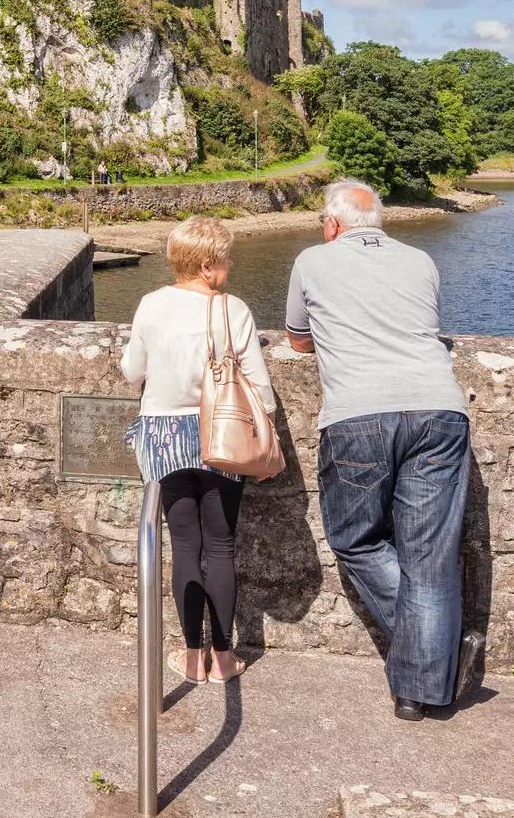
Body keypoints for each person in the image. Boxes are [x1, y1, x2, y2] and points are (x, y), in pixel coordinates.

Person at [285, 179, 485, 721]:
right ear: (379, 223)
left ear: (331, 225)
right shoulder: (420, 260)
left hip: (359, 414)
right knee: (430, 558)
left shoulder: (312, 260)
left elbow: (298, 340)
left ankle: (430, 657)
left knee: (354, 539)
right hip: (439, 411)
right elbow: (423, 326)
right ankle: (419, 687)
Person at [121, 216, 278, 683]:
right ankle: (225, 659)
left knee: (185, 546)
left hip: (164, 436)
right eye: (227, 257)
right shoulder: (234, 310)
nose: (232, 264)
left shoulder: (151, 304)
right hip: (220, 436)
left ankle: (192, 659)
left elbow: (133, 370)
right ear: (208, 266)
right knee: (222, 545)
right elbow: (260, 388)